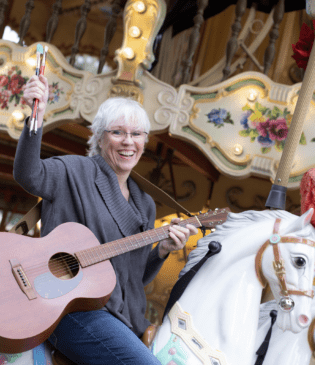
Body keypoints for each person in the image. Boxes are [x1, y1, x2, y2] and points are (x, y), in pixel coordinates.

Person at [13, 74, 198, 365]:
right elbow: (28, 174)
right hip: (70, 310)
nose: (129, 142)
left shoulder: (144, 203)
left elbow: (133, 277)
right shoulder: (74, 171)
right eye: (117, 133)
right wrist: (36, 116)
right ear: (99, 136)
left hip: (124, 317)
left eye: (137, 135)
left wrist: (162, 252)